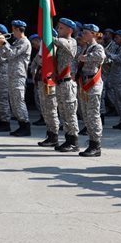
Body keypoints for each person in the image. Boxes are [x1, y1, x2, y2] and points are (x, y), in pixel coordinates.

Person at [77, 24, 106, 157]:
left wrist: (85, 58)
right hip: (84, 82)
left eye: (86, 33)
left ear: (94, 34)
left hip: (92, 84)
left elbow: (101, 57)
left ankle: (96, 145)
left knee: (93, 114)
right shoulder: (85, 47)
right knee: (86, 115)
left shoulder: (97, 47)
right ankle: (91, 142)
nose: (83, 35)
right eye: (83, 32)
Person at [0, 20, 31, 136]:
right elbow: (5, 55)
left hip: (19, 75)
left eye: (13, 29)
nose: (12, 32)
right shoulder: (17, 42)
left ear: (18, 29)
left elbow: (11, 54)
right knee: (13, 101)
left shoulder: (24, 42)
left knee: (18, 101)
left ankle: (25, 125)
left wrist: (4, 43)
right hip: (12, 75)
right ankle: (21, 124)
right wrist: (1, 45)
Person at [52, 18, 80, 152]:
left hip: (68, 83)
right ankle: (68, 139)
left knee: (70, 112)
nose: (58, 30)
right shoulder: (60, 43)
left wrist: (47, 33)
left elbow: (57, 41)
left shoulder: (72, 42)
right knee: (63, 112)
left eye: (61, 28)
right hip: (60, 82)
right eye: (58, 27)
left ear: (70, 30)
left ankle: (74, 141)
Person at [29, 34, 46, 126]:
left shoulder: (46, 51)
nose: (33, 45)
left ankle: (45, 118)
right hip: (38, 78)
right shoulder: (39, 53)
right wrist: (33, 74)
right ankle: (42, 116)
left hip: (46, 80)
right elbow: (34, 64)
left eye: (33, 43)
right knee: (38, 99)